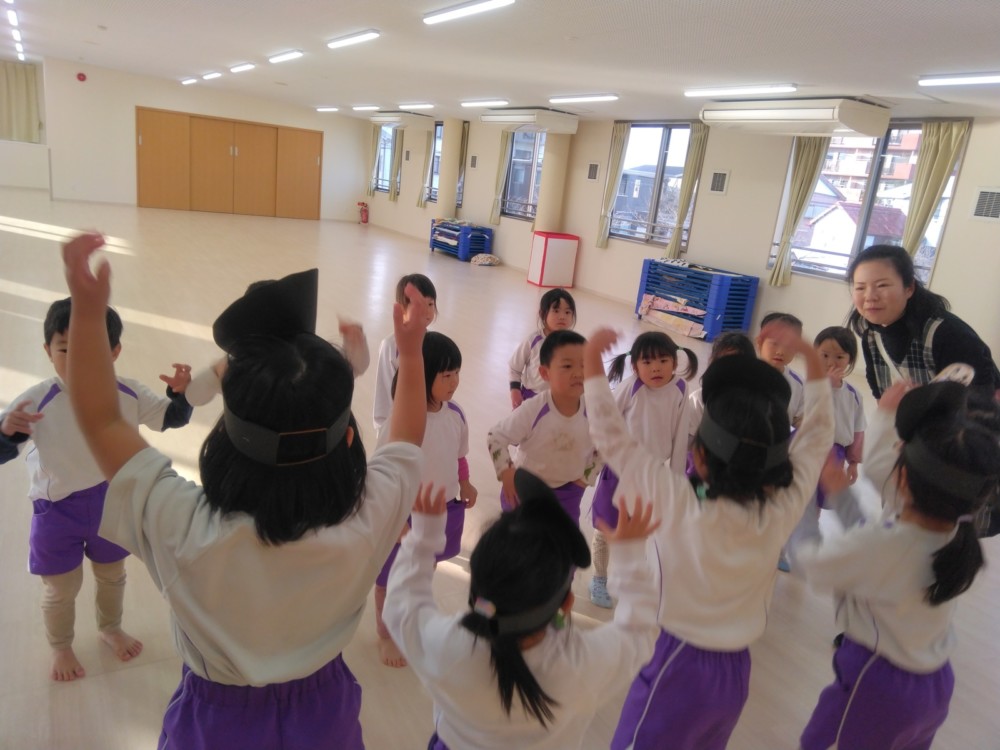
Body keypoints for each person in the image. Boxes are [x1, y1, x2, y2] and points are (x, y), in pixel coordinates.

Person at [59, 233, 428, 749]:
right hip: (325, 716)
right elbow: (406, 437)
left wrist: (87, 312)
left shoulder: (182, 529)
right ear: (348, 440)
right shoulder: (368, 522)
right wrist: (410, 352)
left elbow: (101, 420)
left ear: (224, 442)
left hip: (215, 724)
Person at [583, 320, 834, 750]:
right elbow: (818, 436)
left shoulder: (676, 498)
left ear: (698, 456)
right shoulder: (782, 507)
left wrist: (592, 361)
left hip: (676, 665)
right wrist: (813, 362)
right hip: (735, 674)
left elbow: (611, 436)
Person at [383, 470, 661, 750]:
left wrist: (422, 539)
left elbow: (401, 606)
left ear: (476, 587)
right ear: (566, 604)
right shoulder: (580, 667)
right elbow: (639, 634)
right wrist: (631, 559)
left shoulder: (446, 647)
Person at [790, 381, 1000, 749]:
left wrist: (800, 496)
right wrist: (840, 494)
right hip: (933, 683)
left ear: (902, 478)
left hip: (878, 682)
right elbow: (872, 543)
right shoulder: (954, 533)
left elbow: (810, 560)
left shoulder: (887, 546)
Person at [0, 297, 193, 682]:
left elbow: (169, 418)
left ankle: (110, 627)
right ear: (47, 350)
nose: (78, 361)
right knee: (60, 589)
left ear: (115, 352)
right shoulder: (35, 401)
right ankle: (61, 645)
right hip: (57, 512)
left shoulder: (129, 392)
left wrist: (181, 396)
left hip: (113, 502)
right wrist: (5, 433)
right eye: (65, 350)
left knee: (112, 575)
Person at [372, 331, 478, 668]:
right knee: (388, 578)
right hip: (402, 514)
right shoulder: (401, 421)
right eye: (446, 375)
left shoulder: (456, 414)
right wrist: (396, 520)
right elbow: (381, 473)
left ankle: (411, 620)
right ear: (421, 375)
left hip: (440, 510)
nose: (454, 382)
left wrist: (465, 482)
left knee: (423, 571)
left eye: (457, 373)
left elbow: (459, 454)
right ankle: (386, 634)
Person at [588, 331, 698, 609]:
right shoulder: (631, 387)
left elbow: (680, 438)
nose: (656, 368)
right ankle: (599, 578)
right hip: (619, 471)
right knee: (605, 527)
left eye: (663, 360)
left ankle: (631, 580)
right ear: (635, 367)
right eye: (647, 362)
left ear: (675, 363)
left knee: (643, 532)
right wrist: (594, 463)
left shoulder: (681, 389)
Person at [846, 243, 1000, 401]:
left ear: (909, 288)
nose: (870, 296)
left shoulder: (948, 334)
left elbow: (981, 404)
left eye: (882, 285)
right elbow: (881, 397)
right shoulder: (872, 338)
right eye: (860, 288)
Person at [488, 330, 602, 526]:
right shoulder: (534, 408)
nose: (578, 373)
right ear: (545, 373)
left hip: (569, 492)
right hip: (525, 489)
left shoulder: (594, 410)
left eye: (585, 365)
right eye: (567, 366)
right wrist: (506, 472)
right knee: (519, 539)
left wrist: (585, 479)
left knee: (560, 542)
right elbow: (496, 436)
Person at [373, 273, 438, 440]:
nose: (426, 311)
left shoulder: (434, 343)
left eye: (430, 304)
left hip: (426, 427)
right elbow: (384, 396)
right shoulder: (390, 346)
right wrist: (383, 432)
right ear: (402, 308)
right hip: (398, 428)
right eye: (418, 305)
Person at [814, 325, 866, 497]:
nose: (831, 362)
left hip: (836, 454)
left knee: (822, 497)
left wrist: (853, 462)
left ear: (850, 359)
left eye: (839, 357)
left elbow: (858, 429)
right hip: (808, 448)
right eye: (825, 355)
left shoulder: (854, 395)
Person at [508, 288, 576, 409]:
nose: (562, 317)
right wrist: (515, 390)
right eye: (556, 311)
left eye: (567, 312)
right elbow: (514, 368)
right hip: (532, 400)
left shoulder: (575, 345)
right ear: (542, 314)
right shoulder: (533, 341)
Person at [758, 312, 806, 428]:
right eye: (774, 343)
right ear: (760, 343)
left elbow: (797, 420)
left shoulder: (799, 384)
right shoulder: (744, 374)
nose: (780, 352)